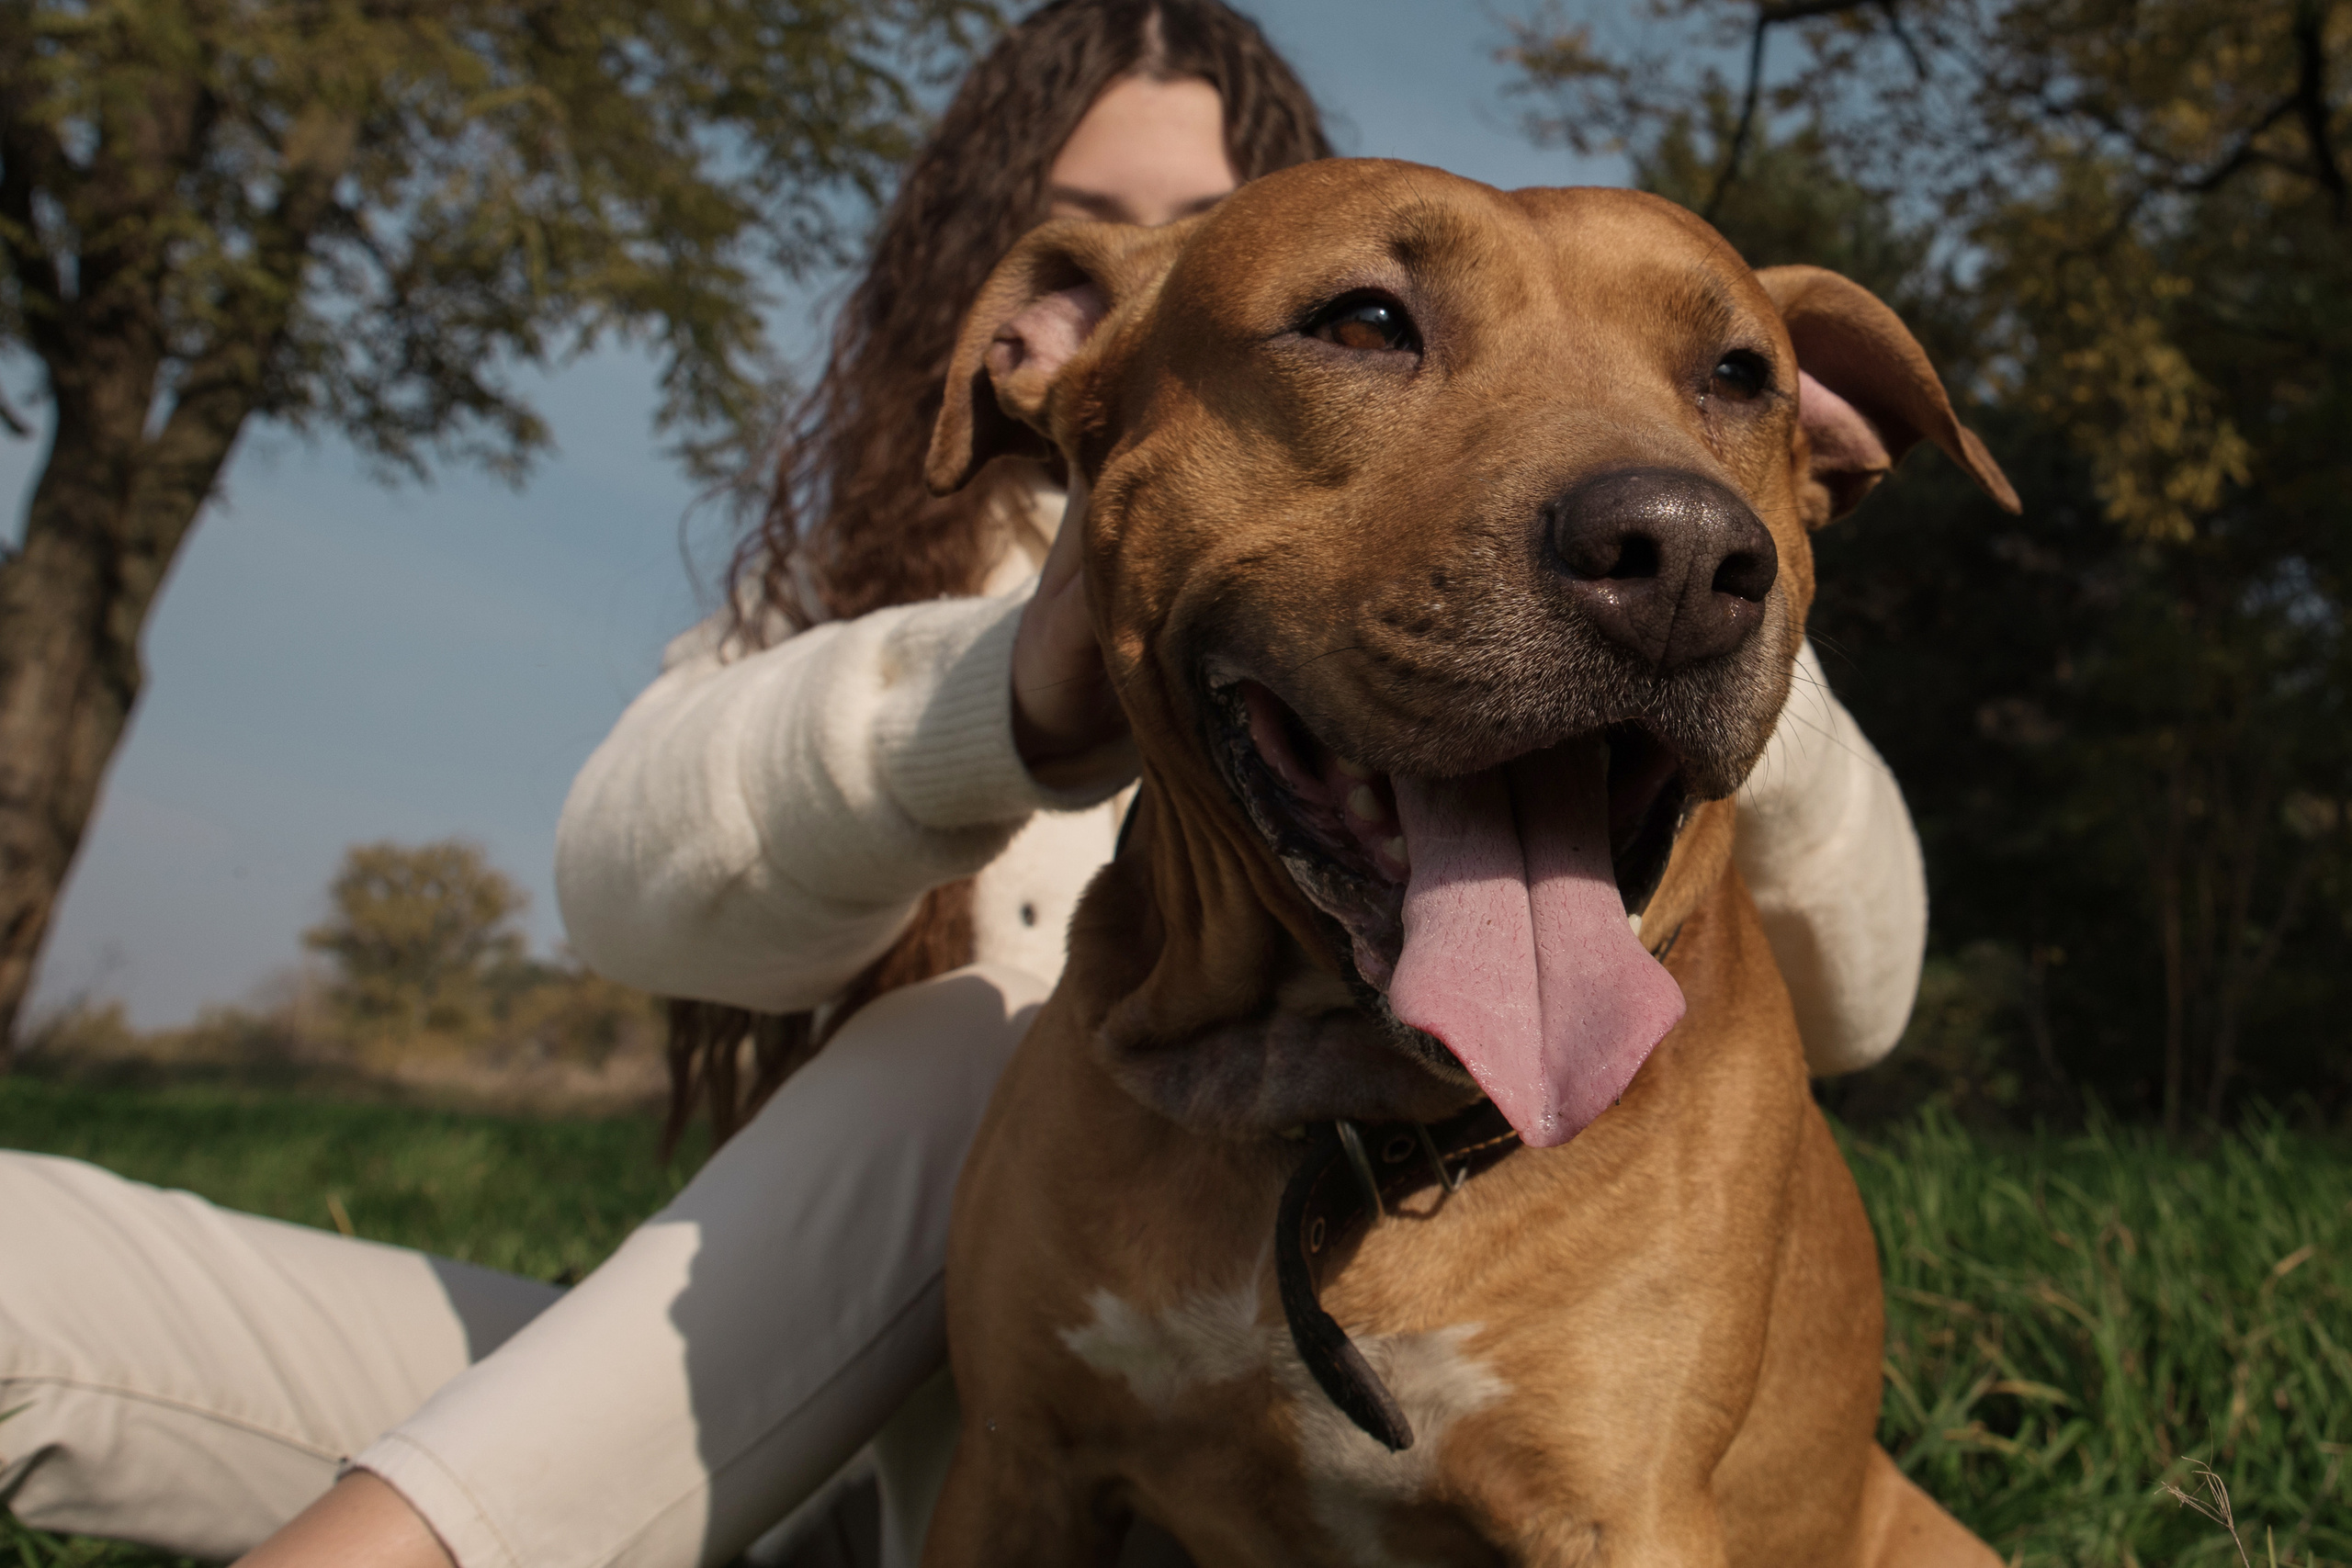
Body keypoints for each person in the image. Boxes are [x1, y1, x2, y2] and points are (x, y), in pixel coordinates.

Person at [0, 5, 1927, 1567]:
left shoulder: (1639, 531)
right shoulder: (865, 587)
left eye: (1227, 215)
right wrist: (1007, 689)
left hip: (910, 1466)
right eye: (1363, 321)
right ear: (1052, 323)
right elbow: (619, 889)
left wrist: (1683, 582)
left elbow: (1861, 992)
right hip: (723, 1409)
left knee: (973, 1038)